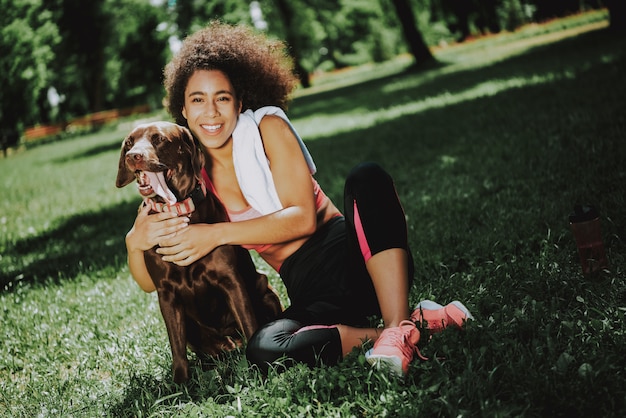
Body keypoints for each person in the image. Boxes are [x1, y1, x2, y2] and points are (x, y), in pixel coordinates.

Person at [124, 21, 473, 377]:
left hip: (362, 262)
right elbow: (151, 283)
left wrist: (214, 234)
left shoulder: (267, 129)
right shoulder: (193, 183)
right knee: (264, 348)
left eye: (222, 98)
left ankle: (397, 322)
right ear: (182, 109)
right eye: (197, 99)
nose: (210, 112)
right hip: (312, 292)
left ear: (239, 102)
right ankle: (406, 330)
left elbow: (303, 219)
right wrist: (134, 241)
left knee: (366, 177)